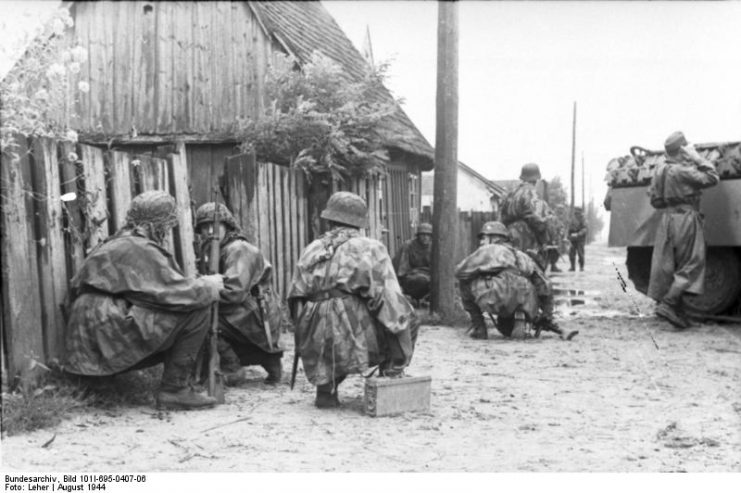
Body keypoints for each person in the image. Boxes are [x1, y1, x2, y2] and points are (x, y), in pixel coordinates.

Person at [63, 191, 224, 410]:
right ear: (158, 224)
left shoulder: (115, 242)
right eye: (166, 226)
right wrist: (210, 285)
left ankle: (97, 382)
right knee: (197, 311)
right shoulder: (140, 246)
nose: (166, 232)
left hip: (85, 341)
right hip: (105, 330)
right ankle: (174, 390)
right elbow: (177, 294)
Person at [287, 192, 419, 408]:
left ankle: (326, 388)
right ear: (359, 222)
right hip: (348, 326)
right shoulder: (369, 247)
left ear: (329, 219)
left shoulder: (312, 247)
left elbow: (295, 295)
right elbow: (386, 295)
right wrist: (398, 326)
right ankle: (390, 375)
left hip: (312, 326)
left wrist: (302, 331)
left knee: (331, 317)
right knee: (406, 316)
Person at [194, 203, 287, 386]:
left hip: (255, 315)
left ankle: (232, 368)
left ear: (227, 226)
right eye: (204, 227)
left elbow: (234, 293)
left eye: (213, 225)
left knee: (199, 319)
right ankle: (265, 359)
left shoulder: (239, 249)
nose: (209, 231)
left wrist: (203, 288)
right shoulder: (217, 250)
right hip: (244, 312)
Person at [455, 221, 578, 341]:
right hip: (525, 301)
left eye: (484, 238)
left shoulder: (487, 250)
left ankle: (479, 327)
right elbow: (544, 284)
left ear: (495, 238)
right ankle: (525, 317)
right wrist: (547, 314)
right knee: (506, 325)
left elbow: (459, 271)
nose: (481, 242)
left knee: (464, 282)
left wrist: (481, 273)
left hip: (496, 297)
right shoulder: (521, 255)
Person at [647, 131, 719, 329]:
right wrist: (696, 157)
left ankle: (677, 311)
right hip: (686, 218)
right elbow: (712, 177)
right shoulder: (682, 170)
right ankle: (669, 304)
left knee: (671, 265)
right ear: (681, 149)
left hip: (667, 219)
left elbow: (654, 200)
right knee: (692, 262)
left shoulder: (660, 169)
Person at [500, 163, 551, 268]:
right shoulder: (532, 193)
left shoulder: (512, 193)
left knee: (513, 268)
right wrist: (547, 222)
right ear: (536, 179)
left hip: (509, 237)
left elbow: (502, 217)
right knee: (530, 269)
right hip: (526, 237)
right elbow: (537, 221)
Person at [394, 222, 432, 303]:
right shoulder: (409, 245)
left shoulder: (434, 247)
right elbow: (401, 267)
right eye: (423, 234)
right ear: (418, 235)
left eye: (428, 235)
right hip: (411, 276)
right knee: (421, 281)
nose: (425, 237)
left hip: (429, 275)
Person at [545, 206, 566, 273]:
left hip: (557, 238)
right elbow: (552, 228)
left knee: (555, 253)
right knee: (552, 252)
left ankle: (553, 266)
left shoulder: (559, 218)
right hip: (553, 238)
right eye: (560, 210)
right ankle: (550, 266)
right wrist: (553, 239)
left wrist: (562, 233)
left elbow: (561, 227)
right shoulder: (553, 218)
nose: (561, 212)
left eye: (562, 211)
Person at [567, 207, 588, 272]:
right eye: (576, 212)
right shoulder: (572, 219)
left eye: (578, 212)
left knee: (580, 253)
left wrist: (579, 233)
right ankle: (572, 267)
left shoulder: (583, 219)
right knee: (571, 253)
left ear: (580, 212)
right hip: (573, 239)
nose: (576, 213)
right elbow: (569, 228)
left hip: (580, 239)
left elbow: (585, 229)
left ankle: (581, 267)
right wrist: (568, 236)